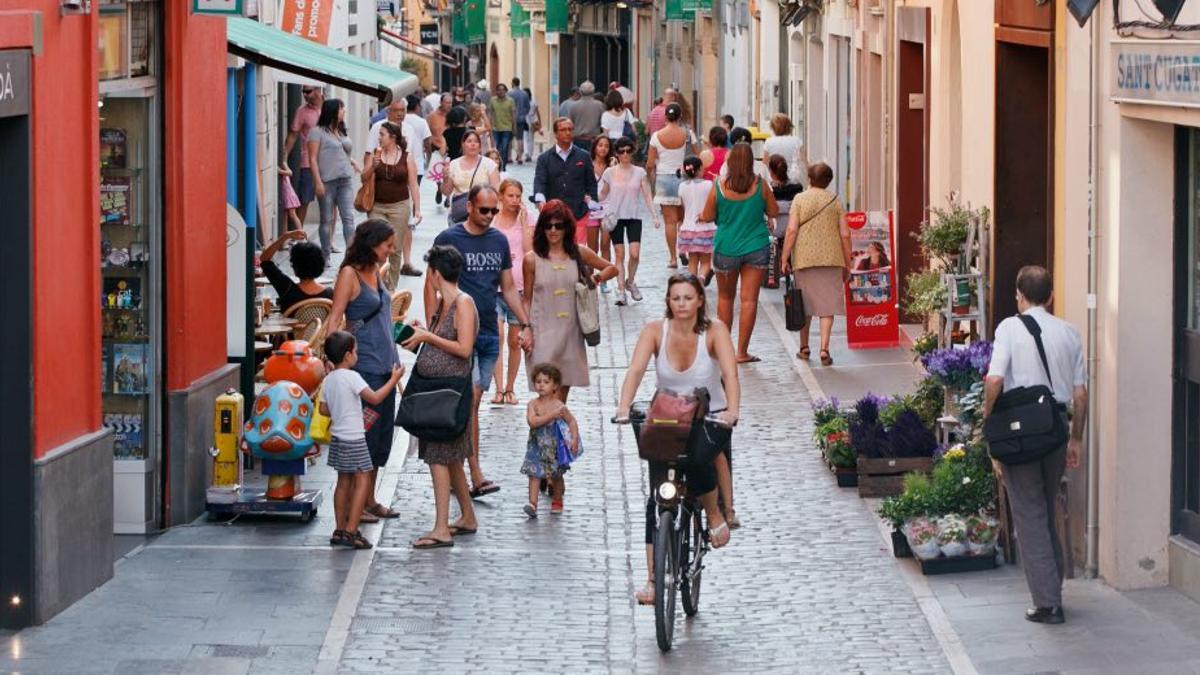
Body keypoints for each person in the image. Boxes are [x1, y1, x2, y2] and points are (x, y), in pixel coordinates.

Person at [615, 272, 739, 605]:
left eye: (688, 298)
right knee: (656, 499)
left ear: (700, 300)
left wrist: (733, 411)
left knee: (700, 458)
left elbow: (729, 372)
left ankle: (714, 514)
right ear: (668, 302)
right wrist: (624, 406)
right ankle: (654, 580)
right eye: (676, 298)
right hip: (670, 414)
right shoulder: (655, 331)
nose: (682, 304)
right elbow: (636, 370)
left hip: (710, 413)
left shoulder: (715, 332)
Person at [982, 265, 1088, 625]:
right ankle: (1052, 586)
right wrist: (1076, 438)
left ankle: (1047, 602)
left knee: (1029, 514)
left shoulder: (1009, 328)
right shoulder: (1070, 332)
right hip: (1056, 429)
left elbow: (995, 380)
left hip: (1021, 433)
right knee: (1045, 507)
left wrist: (987, 420)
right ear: (1051, 296)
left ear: (1019, 295)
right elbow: (1080, 394)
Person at [428, 185, 534, 499]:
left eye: (493, 211)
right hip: (461, 333)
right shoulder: (450, 239)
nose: (489, 216)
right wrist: (435, 324)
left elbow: (508, 287)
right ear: (470, 206)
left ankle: (456, 469)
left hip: (489, 332)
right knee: (471, 402)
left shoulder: (498, 240)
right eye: (484, 210)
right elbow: (430, 281)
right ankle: (473, 473)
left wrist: (525, 322)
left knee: (471, 404)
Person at [401, 245, 481, 549]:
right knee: (452, 459)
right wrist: (421, 332)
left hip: (448, 394)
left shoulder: (463, 303)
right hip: (435, 388)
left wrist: (428, 337)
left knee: (438, 456)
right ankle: (467, 517)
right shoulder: (441, 305)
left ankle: (441, 528)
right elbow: (438, 343)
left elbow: (464, 348)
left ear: (436, 273)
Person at [325, 219, 401, 523]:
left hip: (386, 367)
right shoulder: (350, 274)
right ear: (372, 244)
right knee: (364, 439)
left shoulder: (375, 274)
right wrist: (330, 360)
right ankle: (354, 507)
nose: (390, 251)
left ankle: (368, 499)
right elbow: (335, 318)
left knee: (382, 439)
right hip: (364, 368)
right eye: (388, 245)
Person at [320, 331, 405, 550]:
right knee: (363, 480)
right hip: (355, 438)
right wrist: (394, 380)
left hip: (338, 438)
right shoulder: (353, 377)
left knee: (343, 482)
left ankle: (339, 529)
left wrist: (341, 408)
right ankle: (351, 530)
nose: (357, 355)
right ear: (348, 355)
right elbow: (375, 398)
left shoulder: (329, 379)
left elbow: (323, 409)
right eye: (356, 351)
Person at [700, 142, 779, 364]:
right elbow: (773, 211)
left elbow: (707, 215)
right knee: (749, 300)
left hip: (726, 247)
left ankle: (724, 351)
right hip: (756, 246)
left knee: (725, 298)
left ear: (730, 161)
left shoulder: (719, 186)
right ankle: (742, 352)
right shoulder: (760, 185)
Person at [780, 162, 849, 367]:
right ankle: (824, 349)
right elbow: (845, 234)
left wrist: (784, 258)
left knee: (805, 304)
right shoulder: (835, 201)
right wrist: (848, 261)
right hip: (831, 257)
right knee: (827, 306)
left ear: (810, 179)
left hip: (804, 258)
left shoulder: (800, 199)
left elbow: (791, 231)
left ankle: (804, 347)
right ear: (829, 181)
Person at [489, 179, 536, 406]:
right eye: (510, 196)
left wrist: (525, 223)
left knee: (515, 340)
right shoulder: (492, 220)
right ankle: (497, 388)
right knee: (496, 336)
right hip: (495, 287)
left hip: (518, 289)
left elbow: (529, 251)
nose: (515, 200)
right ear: (501, 196)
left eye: (518, 196)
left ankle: (510, 388)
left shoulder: (527, 220)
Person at [598, 136, 657, 306]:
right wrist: (592, 204)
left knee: (634, 254)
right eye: (621, 151)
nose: (625, 154)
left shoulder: (640, 172)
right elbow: (603, 193)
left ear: (632, 152)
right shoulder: (609, 172)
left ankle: (631, 281)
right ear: (616, 153)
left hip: (633, 217)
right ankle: (621, 290)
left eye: (628, 151)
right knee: (619, 254)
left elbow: (646, 194)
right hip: (615, 216)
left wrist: (654, 215)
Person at [364, 122, 423, 285]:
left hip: (400, 206)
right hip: (377, 206)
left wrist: (417, 209)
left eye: (382, 134)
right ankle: (375, 283)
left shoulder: (407, 157)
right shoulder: (374, 154)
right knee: (375, 246)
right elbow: (363, 178)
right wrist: (372, 167)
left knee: (395, 248)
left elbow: (413, 184)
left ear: (393, 137)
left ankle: (391, 287)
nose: (379, 137)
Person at [521, 363, 581, 518]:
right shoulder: (533, 404)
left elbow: (572, 421)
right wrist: (551, 416)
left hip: (554, 447)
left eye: (546, 382)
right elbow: (532, 422)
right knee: (533, 474)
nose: (541, 385)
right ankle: (532, 503)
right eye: (538, 381)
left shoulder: (559, 406)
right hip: (536, 446)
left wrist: (574, 438)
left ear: (555, 386)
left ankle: (557, 500)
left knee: (556, 475)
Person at [307, 98, 359, 259]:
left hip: (345, 180)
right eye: (341, 109)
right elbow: (313, 158)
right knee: (326, 219)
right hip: (327, 181)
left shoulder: (341, 130)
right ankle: (325, 255)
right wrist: (317, 182)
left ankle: (351, 256)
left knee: (348, 218)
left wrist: (351, 161)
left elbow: (339, 151)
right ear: (332, 111)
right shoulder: (317, 132)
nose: (344, 111)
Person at [646, 103, 692, 269]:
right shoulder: (687, 134)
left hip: (664, 178)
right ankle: (684, 250)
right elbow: (697, 155)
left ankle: (673, 258)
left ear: (666, 116)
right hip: (684, 178)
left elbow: (650, 163)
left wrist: (651, 178)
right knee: (684, 220)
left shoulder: (657, 136)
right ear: (680, 116)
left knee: (670, 222)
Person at [533, 118, 598, 232]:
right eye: (563, 130)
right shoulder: (544, 159)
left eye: (570, 129)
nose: (567, 132)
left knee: (577, 249)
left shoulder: (584, 156)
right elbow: (540, 182)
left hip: (579, 214)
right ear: (556, 134)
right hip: (553, 217)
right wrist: (540, 200)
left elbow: (591, 184)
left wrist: (591, 203)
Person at [259, 231, 332, 313]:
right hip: (321, 326)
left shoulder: (286, 288)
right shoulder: (329, 294)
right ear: (320, 264)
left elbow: (264, 259)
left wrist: (285, 236)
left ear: (294, 266)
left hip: (290, 326)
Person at [441, 130, 501, 226]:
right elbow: (446, 192)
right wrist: (445, 178)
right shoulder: (454, 164)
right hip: (459, 213)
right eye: (469, 141)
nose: (473, 144)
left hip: (482, 212)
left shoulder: (489, 164)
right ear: (463, 144)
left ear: (480, 146)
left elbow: (496, 191)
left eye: (476, 141)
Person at [283, 85, 324, 225]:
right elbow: (293, 135)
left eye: (308, 91)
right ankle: (298, 233)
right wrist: (284, 158)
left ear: (318, 90)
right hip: (308, 162)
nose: (305, 95)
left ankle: (328, 241)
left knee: (331, 202)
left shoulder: (329, 107)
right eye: (303, 92)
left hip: (328, 161)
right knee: (304, 199)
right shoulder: (302, 111)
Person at [678, 156, 716, 284]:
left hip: (688, 228)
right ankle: (701, 279)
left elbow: (684, 207)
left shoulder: (682, 186)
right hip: (706, 228)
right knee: (706, 262)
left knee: (692, 261)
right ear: (700, 169)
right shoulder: (709, 185)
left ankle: (693, 285)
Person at [585, 136, 614, 249]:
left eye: (606, 146)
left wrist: (614, 167)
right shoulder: (587, 165)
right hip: (591, 209)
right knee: (592, 248)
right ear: (595, 147)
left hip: (608, 208)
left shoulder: (612, 166)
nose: (603, 148)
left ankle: (606, 267)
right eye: (600, 145)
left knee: (605, 245)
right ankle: (590, 267)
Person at [762, 113, 806, 184]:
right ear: (789, 127)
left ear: (773, 128)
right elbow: (803, 163)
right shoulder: (796, 141)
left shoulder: (769, 142)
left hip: (775, 181)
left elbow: (765, 165)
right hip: (794, 181)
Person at [428, 94, 453, 207]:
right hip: (436, 147)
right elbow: (427, 133)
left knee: (449, 174)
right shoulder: (432, 116)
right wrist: (428, 149)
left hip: (450, 148)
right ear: (441, 102)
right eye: (447, 102)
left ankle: (448, 197)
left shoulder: (453, 115)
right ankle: (439, 189)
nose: (449, 105)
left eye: (450, 103)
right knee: (438, 174)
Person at [567, 81, 606, 151]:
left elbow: (570, 124)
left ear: (580, 92)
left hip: (577, 140)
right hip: (593, 140)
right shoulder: (600, 105)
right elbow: (604, 124)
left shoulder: (573, 106)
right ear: (593, 91)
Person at [487, 83, 516, 171]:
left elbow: (513, 115)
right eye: (499, 90)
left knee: (504, 147)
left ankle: (503, 166)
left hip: (507, 128)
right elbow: (490, 114)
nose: (501, 91)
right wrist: (489, 126)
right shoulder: (492, 100)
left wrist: (514, 127)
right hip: (495, 128)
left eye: (503, 89)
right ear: (496, 91)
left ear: (506, 91)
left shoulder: (510, 101)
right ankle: (497, 166)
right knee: (497, 149)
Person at [509, 78, 531, 165]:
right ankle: (520, 157)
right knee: (520, 138)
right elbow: (528, 107)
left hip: (510, 119)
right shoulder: (525, 94)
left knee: (510, 138)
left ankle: (509, 157)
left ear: (513, 83)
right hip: (521, 118)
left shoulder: (509, 93)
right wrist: (523, 114)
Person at [278, 164, 304, 234]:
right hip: (284, 193)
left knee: (292, 214)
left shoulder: (283, 162)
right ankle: (285, 237)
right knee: (284, 216)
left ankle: (301, 233)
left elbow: (290, 173)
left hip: (288, 193)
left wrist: (280, 171)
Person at [523, 87, 540, 164]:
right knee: (529, 138)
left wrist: (539, 123)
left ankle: (528, 154)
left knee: (527, 137)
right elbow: (537, 113)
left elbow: (537, 113)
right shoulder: (533, 102)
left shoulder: (525, 102)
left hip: (528, 120)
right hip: (530, 120)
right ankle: (528, 154)